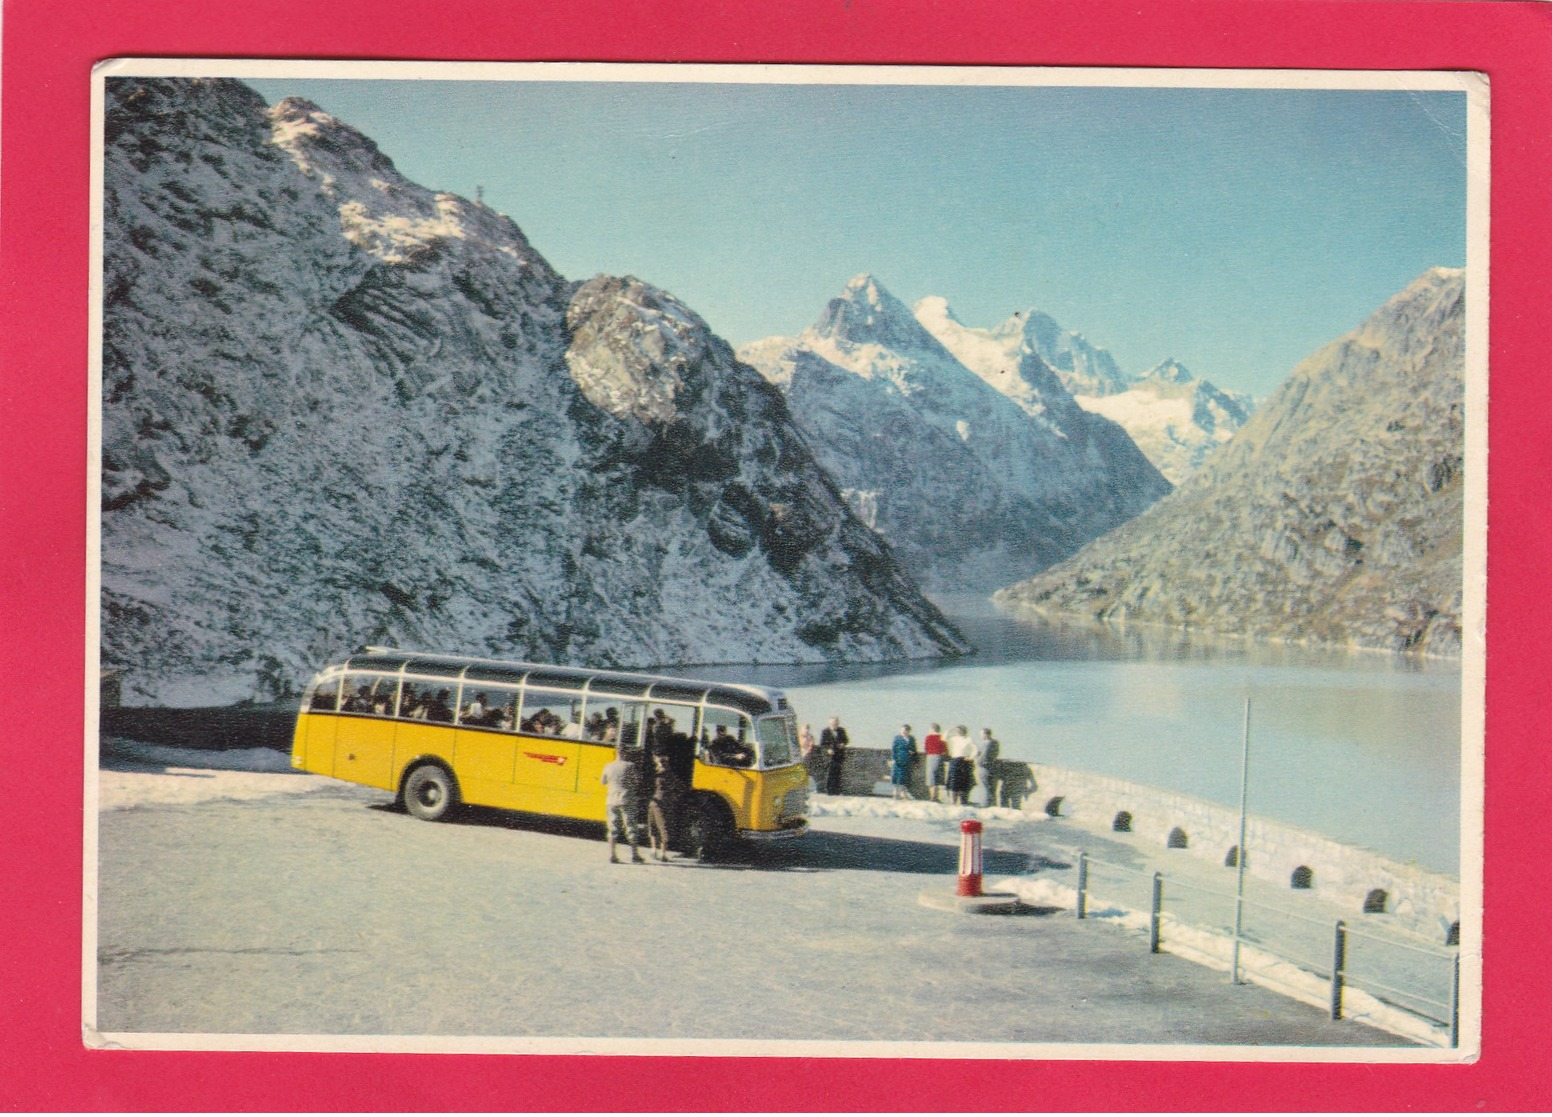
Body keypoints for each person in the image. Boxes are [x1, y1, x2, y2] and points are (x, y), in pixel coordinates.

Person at [599, 749, 646, 864]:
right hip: (626, 799)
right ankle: (634, 855)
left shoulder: (608, 766)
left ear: (615, 754)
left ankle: (612, 855)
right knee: (631, 827)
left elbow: (603, 782)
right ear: (625, 754)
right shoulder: (630, 766)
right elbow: (637, 781)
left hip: (611, 800)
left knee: (613, 828)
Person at [647, 752, 688, 861]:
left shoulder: (660, 774)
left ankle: (656, 851)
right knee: (662, 826)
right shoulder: (671, 774)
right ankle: (662, 853)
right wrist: (674, 796)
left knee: (655, 827)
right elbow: (682, 788)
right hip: (665, 802)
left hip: (655, 802)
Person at [946, 724, 976, 806]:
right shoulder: (953, 739)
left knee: (963, 782)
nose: (959, 732)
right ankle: (953, 801)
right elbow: (944, 737)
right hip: (955, 760)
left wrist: (971, 757)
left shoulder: (968, 739)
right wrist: (951, 729)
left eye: (960, 730)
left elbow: (975, 749)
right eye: (957, 730)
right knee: (953, 781)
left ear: (964, 731)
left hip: (964, 761)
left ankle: (962, 801)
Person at [819, 716, 849, 796]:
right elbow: (822, 744)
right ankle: (829, 791)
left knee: (838, 774)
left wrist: (843, 744)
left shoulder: (842, 730)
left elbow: (846, 740)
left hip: (839, 755)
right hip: (829, 757)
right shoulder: (825, 731)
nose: (834, 724)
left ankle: (837, 791)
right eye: (832, 723)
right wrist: (827, 750)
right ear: (829, 723)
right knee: (829, 774)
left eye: (835, 723)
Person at [890, 723, 917, 800]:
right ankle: (895, 793)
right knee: (896, 776)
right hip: (898, 758)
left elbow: (914, 749)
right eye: (902, 730)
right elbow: (894, 749)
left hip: (908, 759)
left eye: (905, 730)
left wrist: (914, 759)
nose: (903, 732)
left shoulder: (911, 739)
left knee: (906, 777)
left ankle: (904, 793)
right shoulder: (897, 738)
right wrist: (893, 759)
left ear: (908, 731)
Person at [922, 723, 947, 803]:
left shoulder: (928, 737)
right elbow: (944, 750)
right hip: (939, 757)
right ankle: (935, 796)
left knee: (931, 777)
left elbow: (926, 748)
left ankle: (932, 796)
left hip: (930, 757)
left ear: (932, 729)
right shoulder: (941, 737)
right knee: (937, 777)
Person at [977, 727, 1001, 808]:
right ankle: (991, 804)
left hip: (985, 766)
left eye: (981, 734)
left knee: (986, 787)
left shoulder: (989, 743)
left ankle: (985, 805)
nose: (980, 736)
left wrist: (978, 762)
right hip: (989, 766)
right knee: (989, 787)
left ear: (986, 734)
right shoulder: (994, 742)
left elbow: (984, 756)